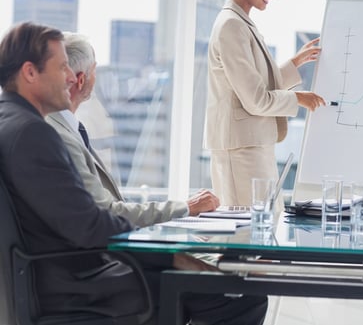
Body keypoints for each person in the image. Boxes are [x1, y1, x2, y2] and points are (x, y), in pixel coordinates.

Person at [0, 22, 267, 324]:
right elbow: (88, 224)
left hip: (53, 274)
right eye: (61, 67)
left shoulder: (10, 121)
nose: (69, 77)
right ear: (30, 72)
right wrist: (167, 255)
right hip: (78, 283)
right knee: (242, 296)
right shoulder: (33, 133)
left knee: (213, 281)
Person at [46, 32, 220, 227]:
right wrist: (186, 207)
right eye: (95, 71)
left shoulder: (65, 128)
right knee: (204, 256)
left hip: (105, 240)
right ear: (80, 80)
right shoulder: (60, 136)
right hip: (102, 251)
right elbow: (107, 211)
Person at [205, 0, 325, 206]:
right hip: (240, 150)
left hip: (251, 146)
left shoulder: (241, 23)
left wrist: (295, 63)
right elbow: (256, 99)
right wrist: (298, 99)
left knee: (263, 231)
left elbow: (253, 85)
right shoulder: (231, 26)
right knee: (246, 236)